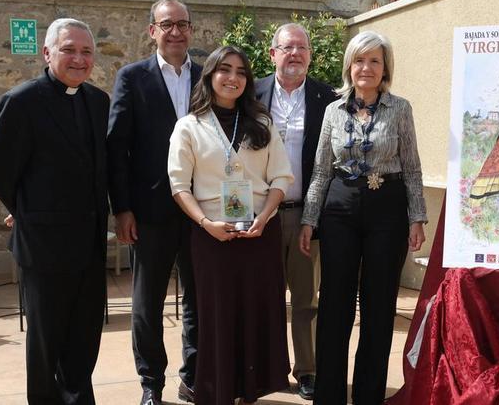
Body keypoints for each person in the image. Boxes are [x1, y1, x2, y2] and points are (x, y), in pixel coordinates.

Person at [0, 18, 109, 404]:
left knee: (85, 335)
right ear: (47, 53)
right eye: (69, 49)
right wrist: (25, 210)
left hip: (89, 243)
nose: (78, 58)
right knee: (45, 341)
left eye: (86, 51)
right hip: (43, 246)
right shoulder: (21, 102)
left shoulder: (98, 101)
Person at [299, 31, 428, 405]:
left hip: (387, 209)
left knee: (379, 303)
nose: (366, 68)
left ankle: (369, 396)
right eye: (359, 60)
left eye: (374, 60)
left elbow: (413, 168)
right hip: (339, 208)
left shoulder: (400, 109)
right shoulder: (332, 111)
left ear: (385, 67)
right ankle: (329, 396)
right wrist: (310, 219)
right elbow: (321, 170)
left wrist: (416, 216)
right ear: (349, 66)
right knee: (335, 304)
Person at [168, 45, 293, 405]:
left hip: (259, 234)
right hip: (212, 237)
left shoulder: (263, 123)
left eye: (241, 72)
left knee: (255, 312)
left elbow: (281, 178)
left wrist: (264, 218)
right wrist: (206, 223)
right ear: (209, 76)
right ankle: (218, 390)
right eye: (225, 70)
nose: (233, 78)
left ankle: (249, 389)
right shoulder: (189, 127)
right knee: (217, 316)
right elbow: (179, 186)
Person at [107, 0, 200, 405]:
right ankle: (151, 383)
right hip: (150, 212)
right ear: (152, 31)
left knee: (200, 298)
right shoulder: (132, 78)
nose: (176, 32)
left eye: (183, 25)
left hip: (203, 211)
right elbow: (117, 149)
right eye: (167, 25)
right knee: (147, 302)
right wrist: (122, 208)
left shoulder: (207, 76)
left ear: (191, 30)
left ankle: (194, 376)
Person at [254, 23, 337, 400]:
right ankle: (266, 370)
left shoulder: (326, 98)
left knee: (306, 300)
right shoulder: (251, 94)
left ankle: (308, 370)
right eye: (287, 47)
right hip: (262, 216)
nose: (295, 54)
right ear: (273, 54)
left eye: (302, 47)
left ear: (310, 55)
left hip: (306, 216)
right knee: (263, 298)